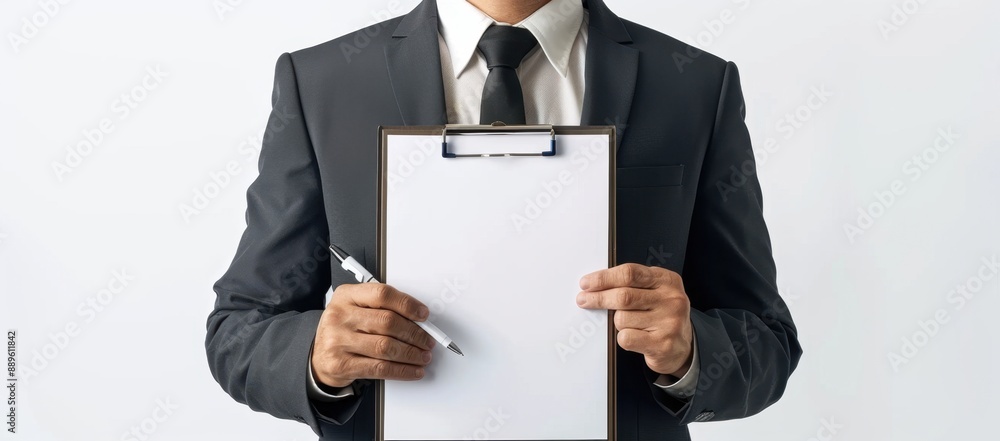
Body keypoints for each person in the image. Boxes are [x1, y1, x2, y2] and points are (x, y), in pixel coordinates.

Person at [205, 0, 802, 440]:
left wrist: (692, 351)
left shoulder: (694, 84)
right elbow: (238, 330)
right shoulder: (322, 82)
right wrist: (316, 355)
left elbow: (768, 341)